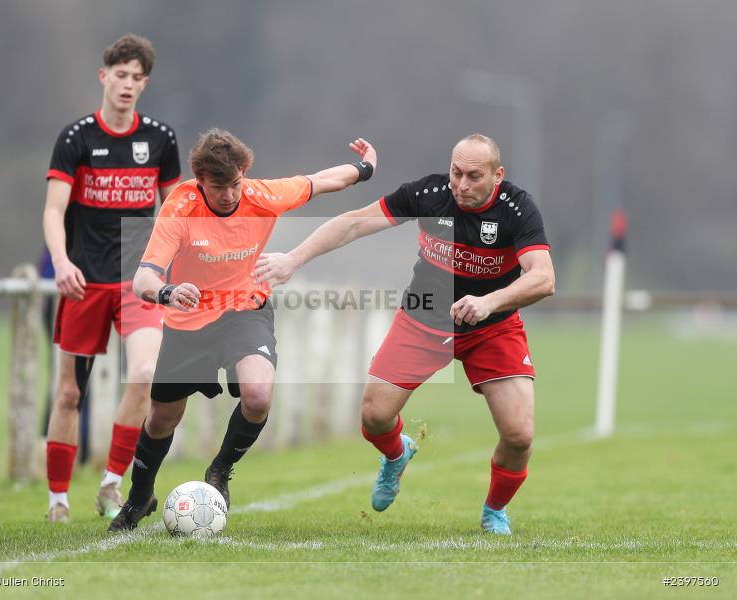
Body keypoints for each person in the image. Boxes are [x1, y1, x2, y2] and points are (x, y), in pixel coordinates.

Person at [254, 134, 554, 535]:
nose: (461, 185)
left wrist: (489, 302)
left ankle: (494, 511)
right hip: (425, 317)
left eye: (474, 176)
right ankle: (397, 455)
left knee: (519, 435)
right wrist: (293, 259)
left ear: (497, 175)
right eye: (456, 173)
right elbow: (355, 222)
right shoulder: (429, 193)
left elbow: (544, 278)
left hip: (492, 326)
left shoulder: (517, 209)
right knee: (375, 417)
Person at [108, 128, 377, 531]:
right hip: (188, 319)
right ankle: (139, 496)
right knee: (162, 418)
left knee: (257, 395)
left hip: (244, 310)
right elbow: (142, 280)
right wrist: (167, 291)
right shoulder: (180, 206)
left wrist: (365, 167)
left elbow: (321, 181)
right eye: (219, 187)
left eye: (235, 184)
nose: (230, 195)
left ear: (244, 172)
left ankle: (219, 470)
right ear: (200, 180)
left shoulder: (262, 195)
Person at [43, 33, 182, 522]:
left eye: (136, 78)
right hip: (85, 280)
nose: (127, 85)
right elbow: (54, 210)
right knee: (69, 393)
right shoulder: (77, 137)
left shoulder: (160, 139)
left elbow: (176, 211)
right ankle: (57, 500)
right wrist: (61, 262)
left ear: (145, 84)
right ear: (104, 78)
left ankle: (111, 483)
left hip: (136, 280)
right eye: (119, 75)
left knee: (144, 375)